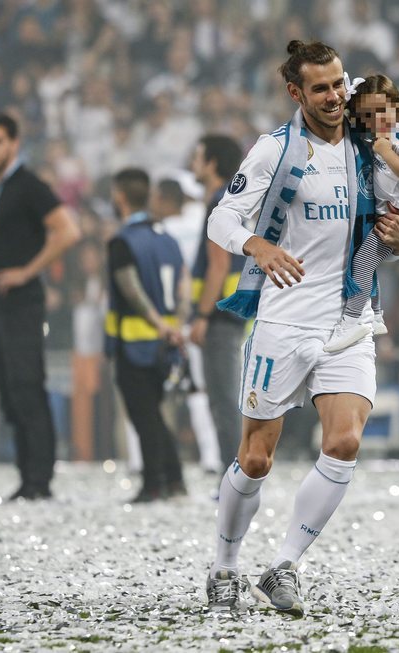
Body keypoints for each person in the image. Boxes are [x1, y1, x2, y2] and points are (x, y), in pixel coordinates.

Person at [203, 40, 399, 615]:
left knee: (345, 443)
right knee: (255, 459)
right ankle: (224, 567)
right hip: (285, 319)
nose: (334, 96)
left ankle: (286, 566)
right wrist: (259, 246)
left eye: (339, 83)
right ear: (296, 93)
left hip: (349, 319)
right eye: (320, 87)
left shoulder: (371, 146)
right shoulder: (275, 150)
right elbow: (222, 216)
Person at [0, 113, 81, 501]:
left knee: (26, 385)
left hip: (21, 301)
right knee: (6, 383)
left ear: (14, 144)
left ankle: (39, 479)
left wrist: (26, 272)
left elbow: (69, 231)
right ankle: (27, 476)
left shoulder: (28, 186)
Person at [324, 73, 399, 353]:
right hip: (388, 213)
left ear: (396, 105)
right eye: (368, 114)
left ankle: (351, 321)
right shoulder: (378, 135)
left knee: (362, 262)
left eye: (381, 109)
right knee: (367, 262)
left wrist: (386, 152)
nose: (376, 118)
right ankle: (375, 314)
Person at [106, 168, 189, 502]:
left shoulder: (122, 241)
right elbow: (183, 286)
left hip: (134, 341)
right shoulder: (166, 238)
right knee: (155, 411)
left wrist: (158, 324)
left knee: (143, 415)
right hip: (166, 343)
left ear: (120, 197)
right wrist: (176, 326)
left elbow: (131, 290)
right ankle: (174, 480)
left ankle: (153, 483)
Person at [154, 177, 223, 474]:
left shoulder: (164, 229)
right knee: (204, 388)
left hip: (173, 314)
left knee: (172, 388)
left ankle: (143, 458)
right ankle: (212, 456)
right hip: (205, 310)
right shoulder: (203, 221)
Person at [188, 134, 247, 473]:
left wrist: (201, 315)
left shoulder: (219, 203)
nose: (193, 163)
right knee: (226, 398)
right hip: (232, 309)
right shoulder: (235, 199)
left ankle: (235, 478)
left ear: (211, 163)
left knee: (223, 400)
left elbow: (218, 264)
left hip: (220, 312)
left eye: (198, 157)